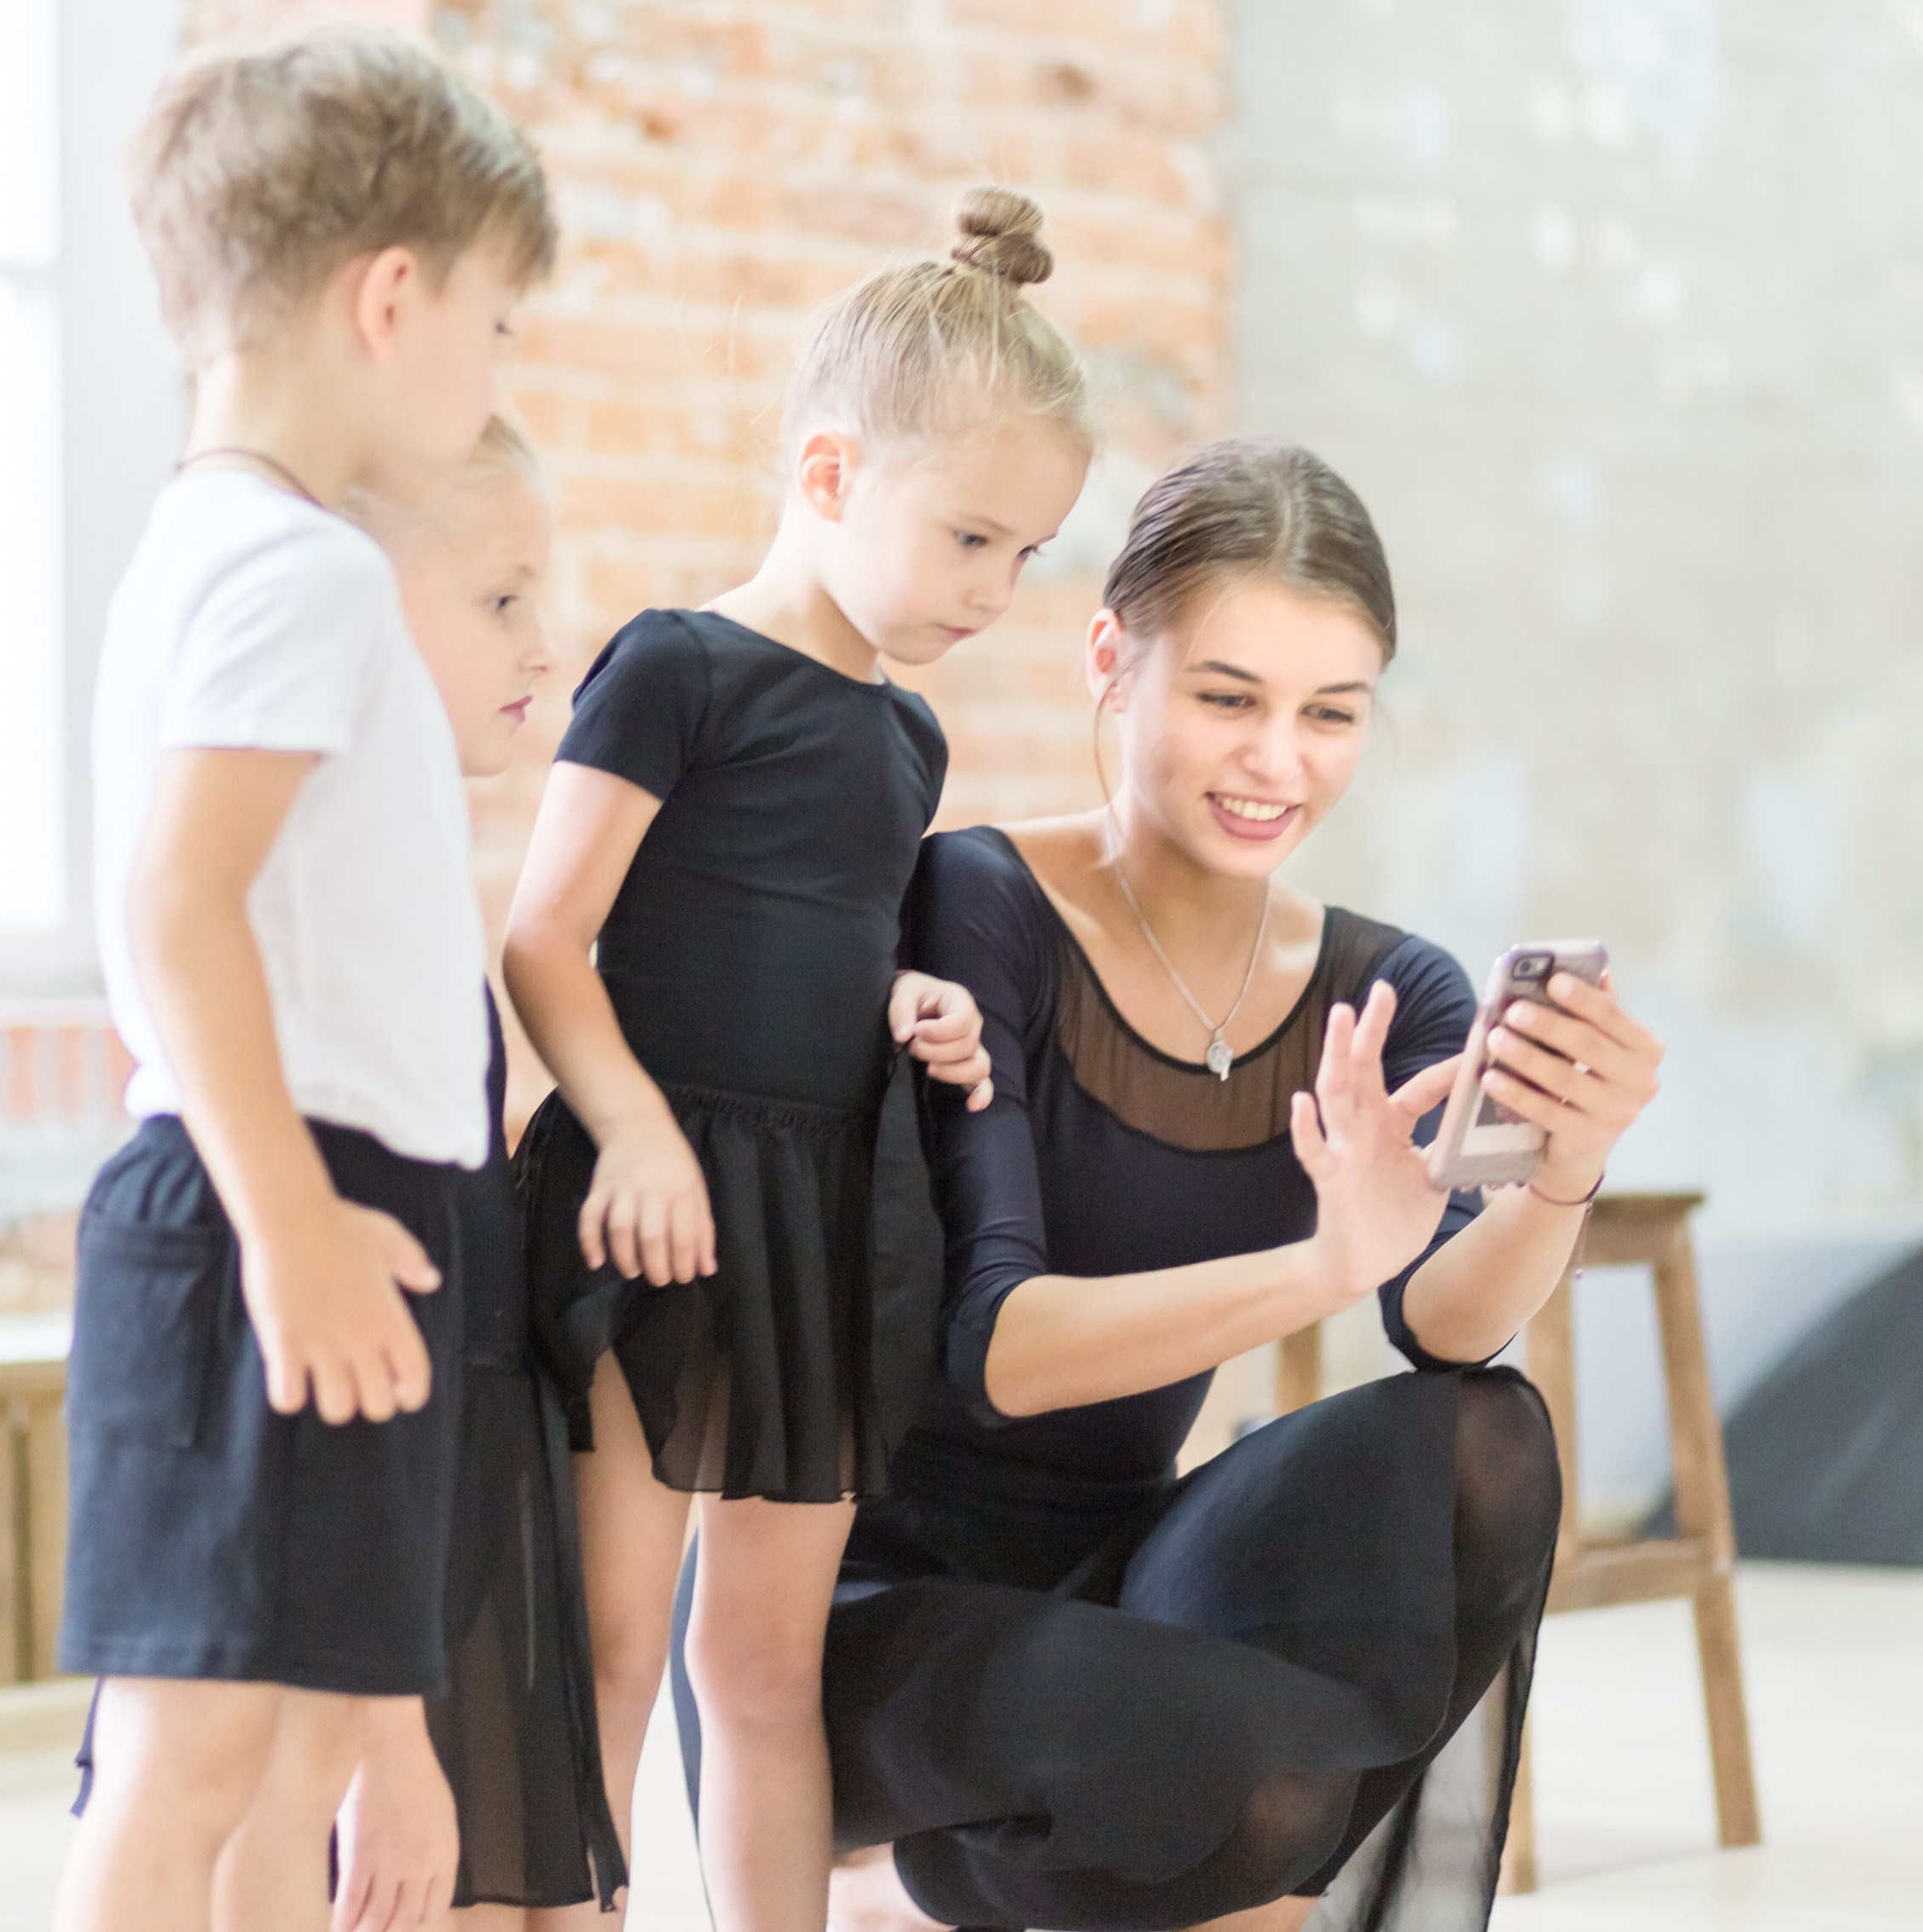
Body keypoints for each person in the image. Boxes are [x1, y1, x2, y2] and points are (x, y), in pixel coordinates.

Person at [670, 439, 1666, 1931]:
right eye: (1228, 697)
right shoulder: (982, 901)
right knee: (1246, 1765)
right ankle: (953, 1853)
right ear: (1111, 663)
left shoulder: (1393, 981)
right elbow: (996, 1348)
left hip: (1127, 1574)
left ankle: (1082, 1865)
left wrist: (1562, 1177)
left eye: (1332, 713)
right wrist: (1317, 1266)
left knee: (1483, 1441)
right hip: (876, 1606)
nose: (1279, 761)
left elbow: (1445, 1326)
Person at [502, 189, 1097, 1932]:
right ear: (829, 475)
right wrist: (629, 1135)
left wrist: (912, 1011)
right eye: (968, 538)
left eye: (1023, 556)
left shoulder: (905, 735)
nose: (991, 591)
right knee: (612, 1642)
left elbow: (835, 949)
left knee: (760, 1660)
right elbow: (545, 938)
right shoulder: (670, 670)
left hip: (819, 1220)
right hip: (655, 1204)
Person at [52, 30, 558, 1932]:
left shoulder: (221, 549)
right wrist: (290, 1225)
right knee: (187, 1759)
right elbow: (179, 907)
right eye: (497, 324)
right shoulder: (302, 570)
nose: (494, 369)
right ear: (390, 296)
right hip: (284, 1197)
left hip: (331, 1192)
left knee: (280, 1754)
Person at [195, 414, 627, 1932]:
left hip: (464, 1443)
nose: (546, 644)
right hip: (381, 1464)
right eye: (502, 599)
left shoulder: (415, 866)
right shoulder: (339, 921)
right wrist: (391, 1727)